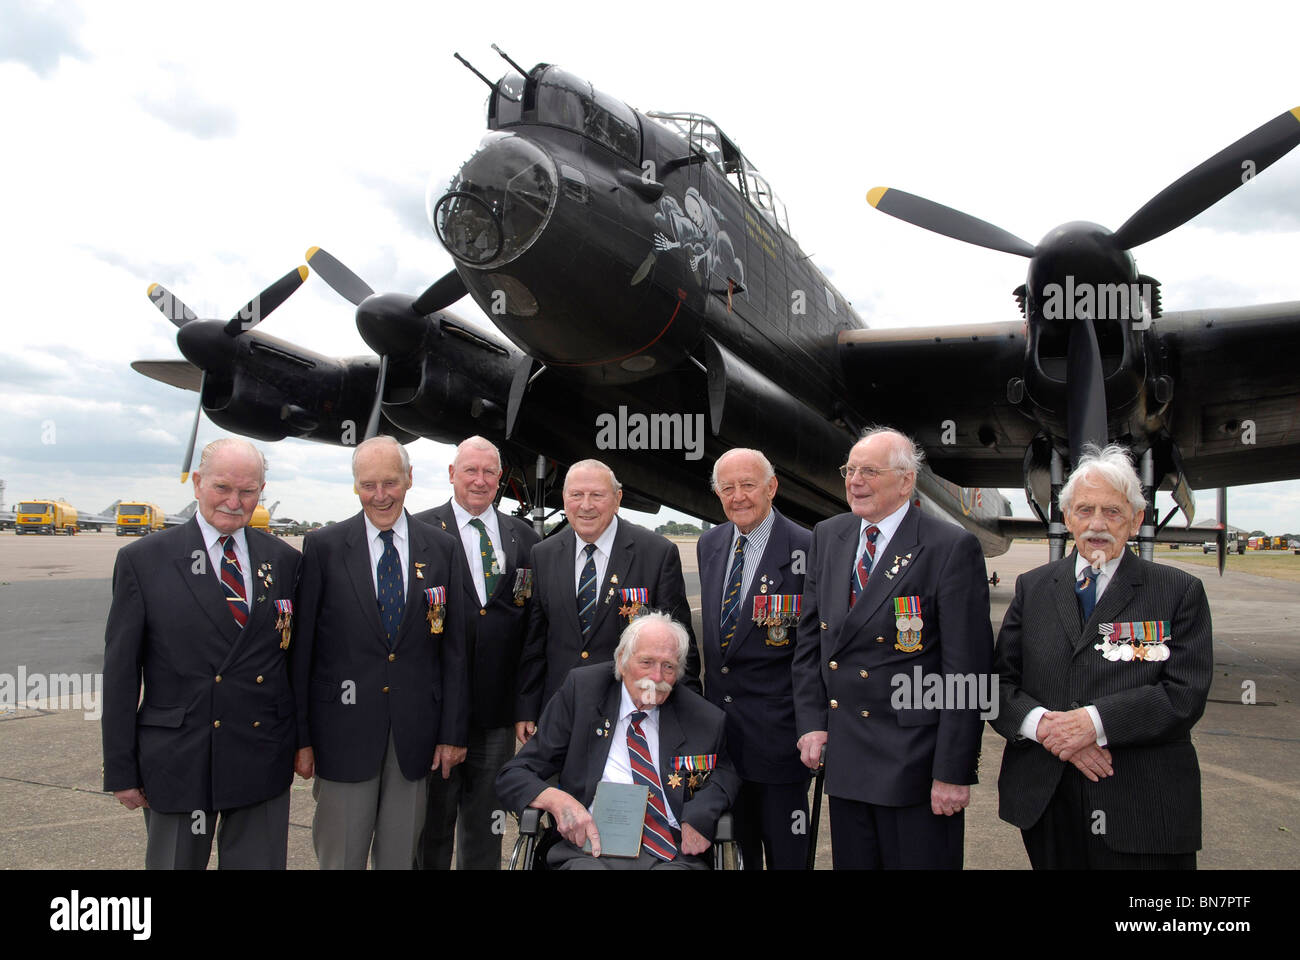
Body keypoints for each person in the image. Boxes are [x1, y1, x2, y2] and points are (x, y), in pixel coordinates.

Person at [992, 444, 1213, 869]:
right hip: (1047, 801)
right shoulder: (1032, 588)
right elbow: (998, 685)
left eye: (1112, 512)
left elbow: (1184, 694)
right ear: (1067, 516)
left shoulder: (1178, 592)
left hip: (1141, 807)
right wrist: (1048, 731)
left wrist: (1093, 723)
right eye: (1085, 510)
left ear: (1136, 520)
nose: (1097, 524)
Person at [792, 426, 993, 869]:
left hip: (915, 769)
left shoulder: (949, 547)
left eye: (869, 471)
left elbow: (968, 672)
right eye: (850, 469)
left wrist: (953, 772)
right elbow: (811, 643)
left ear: (906, 481)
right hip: (846, 761)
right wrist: (811, 722)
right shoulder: (829, 535)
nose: (855, 480)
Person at [102, 438, 302, 869]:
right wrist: (121, 769)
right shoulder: (144, 561)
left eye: (248, 491)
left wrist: (301, 741)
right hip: (178, 758)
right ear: (197, 483)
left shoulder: (283, 560)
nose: (234, 502)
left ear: (261, 491)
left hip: (259, 752)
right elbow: (120, 673)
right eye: (222, 488)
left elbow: (295, 663)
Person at [290, 435, 469, 869]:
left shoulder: (442, 549)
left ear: (409, 480)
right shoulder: (324, 548)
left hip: (414, 738)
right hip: (342, 735)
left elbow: (456, 649)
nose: (380, 495)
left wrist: (452, 733)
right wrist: (302, 738)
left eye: (390, 482)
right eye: (368, 484)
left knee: (399, 858)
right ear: (355, 486)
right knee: (342, 857)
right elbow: (302, 652)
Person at [496, 612, 739, 869]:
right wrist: (557, 800)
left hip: (670, 853)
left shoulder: (702, 717)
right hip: (587, 848)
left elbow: (725, 774)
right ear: (622, 661)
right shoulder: (582, 693)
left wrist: (701, 815)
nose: (656, 677)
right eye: (646, 662)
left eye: (668, 666)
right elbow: (515, 774)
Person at [412, 436, 540, 870]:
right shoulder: (420, 532)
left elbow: (530, 630)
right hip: (436, 709)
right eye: (470, 470)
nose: (480, 481)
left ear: (499, 479)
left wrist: (525, 703)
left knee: (486, 828)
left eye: (489, 472)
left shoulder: (522, 536)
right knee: (432, 828)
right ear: (452, 474)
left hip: (496, 715)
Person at [515, 458, 698, 743]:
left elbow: (680, 646)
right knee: (557, 788)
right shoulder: (543, 554)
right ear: (565, 499)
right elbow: (534, 641)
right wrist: (527, 705)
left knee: (622, 790)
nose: (585, 505)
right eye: (576, 495)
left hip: (632, 714)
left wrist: (685, 715)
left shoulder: (656, 553)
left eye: (597, 495)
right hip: (561, 714)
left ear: (617, 499)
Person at [696, 447, 811, 869]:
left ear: (772, 488)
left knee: (787, 855)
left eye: (748, 485)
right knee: (732, 855)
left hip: (780, 742)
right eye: (728, 488)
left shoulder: (806, 548)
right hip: (721, 744)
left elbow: (812, 652)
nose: (738, 496)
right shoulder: (709, 544)